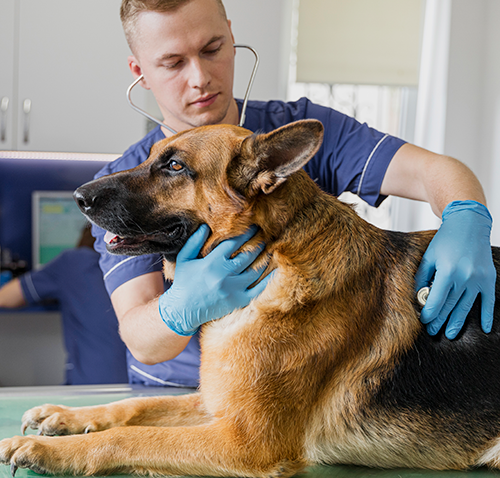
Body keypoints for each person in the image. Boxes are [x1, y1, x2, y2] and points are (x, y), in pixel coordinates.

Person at [92, 0, 496, 387]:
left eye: (212, 48)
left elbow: (436, 171)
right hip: (177, 393)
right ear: (140, 72)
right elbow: (142, 340)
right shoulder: (121, 189)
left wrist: (465, 219)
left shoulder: (293, 134)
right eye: (173, 63)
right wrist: (180, 306)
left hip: (296, 381)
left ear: (231, 38)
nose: (199, 77)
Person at [0, 225, 128, 385]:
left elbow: (5, 297)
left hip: (90, 390)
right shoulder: (144, 267)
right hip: (144, 387)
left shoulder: (74, 262)